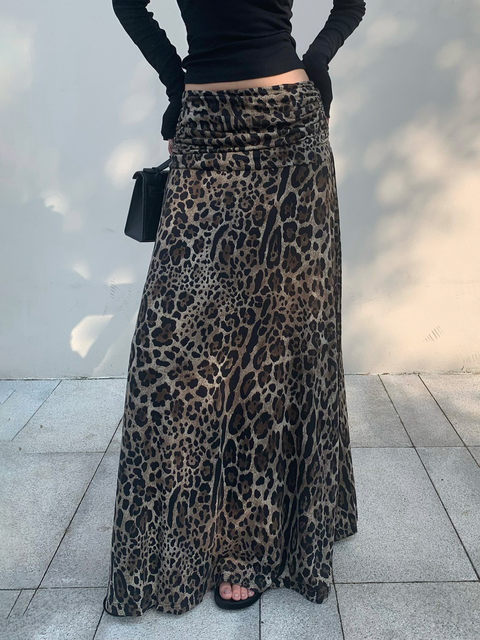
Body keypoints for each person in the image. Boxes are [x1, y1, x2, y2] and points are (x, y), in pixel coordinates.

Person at [103, 0, 366, 616]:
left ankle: (250, 549)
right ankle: (179, 541)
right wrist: (177, 83)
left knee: (280, 345)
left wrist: (318, 61)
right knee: (170, 351)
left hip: (290, 133)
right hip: (205, 133)